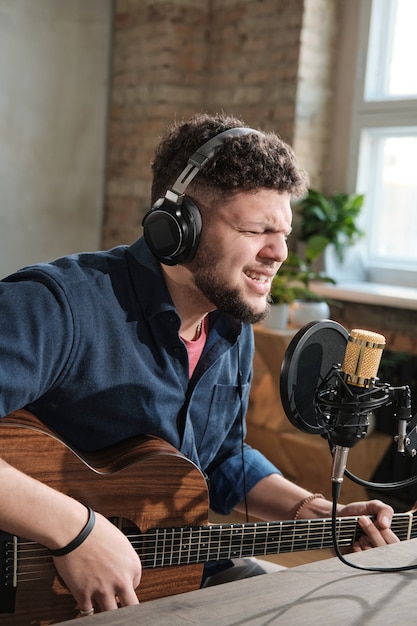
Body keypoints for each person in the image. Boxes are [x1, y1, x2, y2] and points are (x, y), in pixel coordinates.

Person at [0, 112, 399, 616]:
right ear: (176, 228)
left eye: (283, 233)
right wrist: (73, 531)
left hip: (174, 577)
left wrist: (311, 509)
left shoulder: (230, 328)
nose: (278, 253)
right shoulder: (56, 305)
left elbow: (219, 461)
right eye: (257, 229)